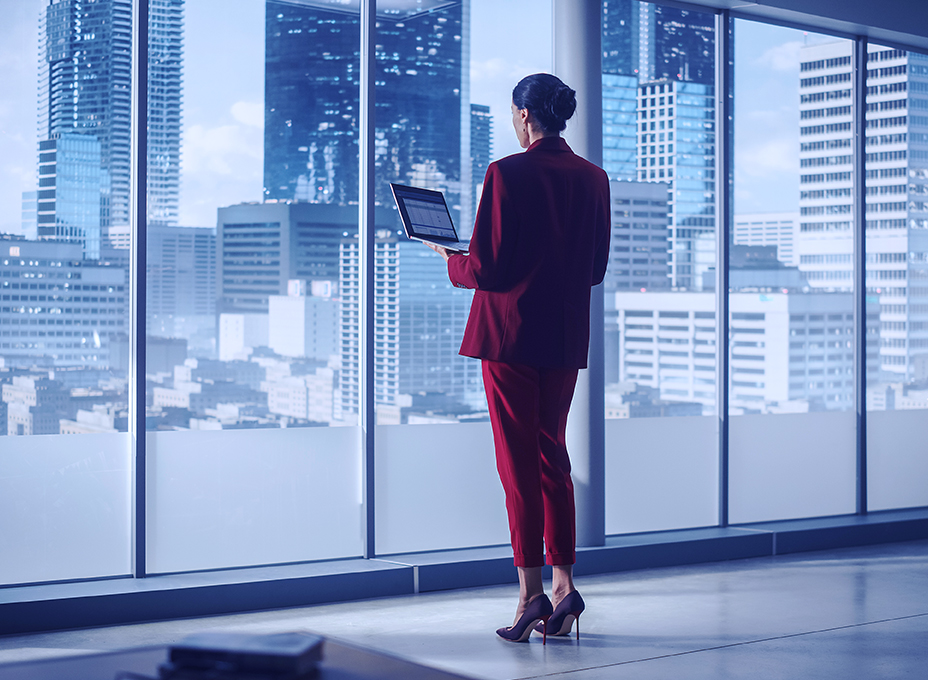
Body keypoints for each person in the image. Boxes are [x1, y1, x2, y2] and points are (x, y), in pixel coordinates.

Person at [426, 73, 610, 643]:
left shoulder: (506, 172)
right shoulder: (594, 178)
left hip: (508, 338)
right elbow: (594, 270)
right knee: (552, 458)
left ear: (525, 116)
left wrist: (452, 259)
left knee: (516, 467)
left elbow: (486, 269)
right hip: (562, 338)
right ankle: (564, 586)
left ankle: (529, 594)